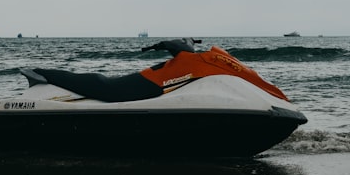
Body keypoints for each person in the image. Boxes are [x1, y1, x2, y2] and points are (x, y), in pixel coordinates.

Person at [27, 38, 287, 102]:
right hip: (145, 84)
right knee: (105, 89)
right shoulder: (194, 59)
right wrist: (163, 44)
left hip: (152, 82)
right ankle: (43, 73)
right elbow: (177, 45)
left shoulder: (213, 59)